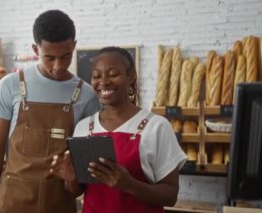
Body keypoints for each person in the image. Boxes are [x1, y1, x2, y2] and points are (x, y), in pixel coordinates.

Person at [0, 10, 100, 213]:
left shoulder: (86, 95)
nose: (58, 66)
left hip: (59, 202)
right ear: (35, 49)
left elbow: (84, 164)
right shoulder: (10, 85)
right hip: (12, 201)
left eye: (66, 57)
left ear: (74, 45)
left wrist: (75, 180)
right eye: (50, 58)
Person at [50, 46, 187, 213]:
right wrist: (71, 178)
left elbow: (171, 195)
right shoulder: (84, 127)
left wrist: (129, 185)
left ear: (131, 77)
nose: (104, 82)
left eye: (113, 74)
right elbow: (78, 191)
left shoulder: (156, 126)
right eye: (96, 76)